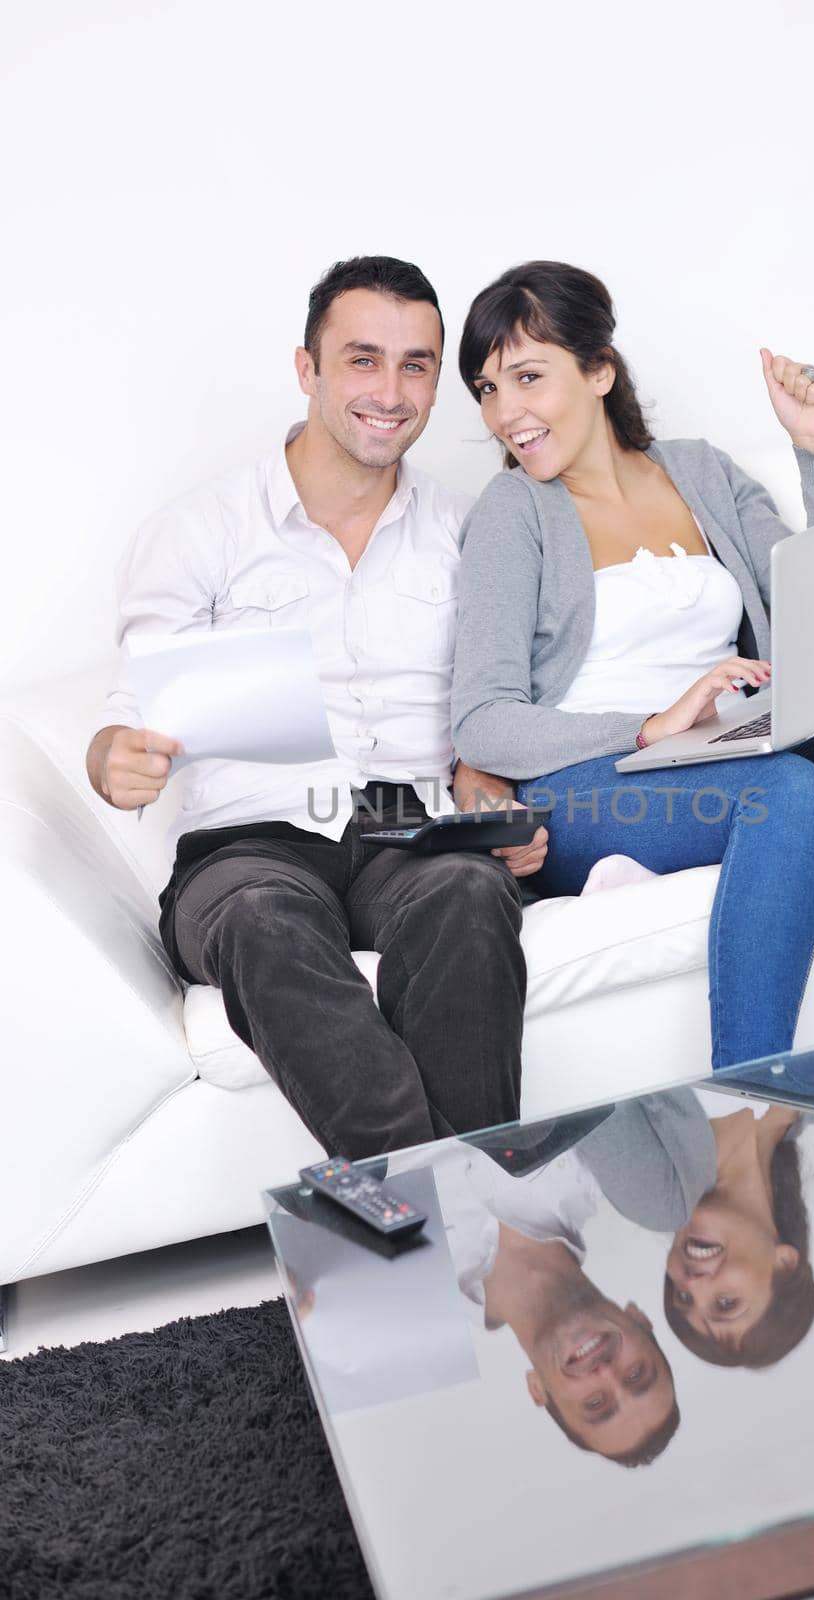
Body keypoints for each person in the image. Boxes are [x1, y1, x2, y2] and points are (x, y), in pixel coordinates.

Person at [451, 259, 814, 1071]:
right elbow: (481, 719)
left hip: (742, 745)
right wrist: (652, 725)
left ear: (599, 370)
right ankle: (751, 1087)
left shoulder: (701, 470)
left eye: (527, 378)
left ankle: (770, 836)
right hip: (595, 780)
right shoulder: (513, 513)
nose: (505, 413)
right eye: (486, 389)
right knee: (784, 792)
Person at [85, 255, 547, 1160]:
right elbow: (124, 722)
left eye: (416, 364)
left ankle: (431, 1227)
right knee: (262, 920)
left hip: (404, 824)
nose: (391, 389)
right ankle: (462, 1209)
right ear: (308, 370)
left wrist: (488, 794)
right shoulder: (201, 529)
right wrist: (114, 759)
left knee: (468, 889)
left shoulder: (466, 530)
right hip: (248, 845)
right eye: (362, 359)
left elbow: (488, 702)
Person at [422, 1134, 680, 1466]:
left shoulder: (407, 1289)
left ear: (538, 1390)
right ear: (641, 1321)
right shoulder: (596, 1160)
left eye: (595, 1403)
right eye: (635, 1375)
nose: (605, 1372)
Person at [662, 1101, 814, 1369]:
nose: (692, 1284)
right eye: (726, 1303)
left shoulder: (647, 1160)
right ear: (784, 1263)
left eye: (683, 1297)